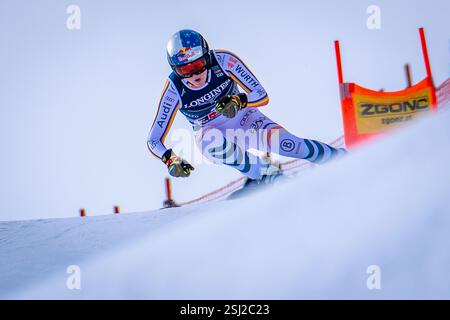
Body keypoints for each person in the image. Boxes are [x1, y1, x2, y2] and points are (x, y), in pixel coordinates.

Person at [148, 29, 345, 182]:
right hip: (209, 132)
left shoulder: (224, 60)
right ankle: (273, 179)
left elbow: (261, 95)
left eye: (198, 65)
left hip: (245, 119)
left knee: (291, 145)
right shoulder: (173, 89)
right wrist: (170, 158)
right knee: (215, 144)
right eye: (185, 69)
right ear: (175, 69)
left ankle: (345, 160)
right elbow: (154, 140)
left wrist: (240, 101)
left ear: (207, 57)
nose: (193, 75)